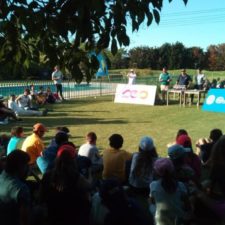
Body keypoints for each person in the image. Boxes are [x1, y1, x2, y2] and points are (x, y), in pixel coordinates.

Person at [39, 150, 91, 225]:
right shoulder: (75, 176)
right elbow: (89, 186)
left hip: (53, 214)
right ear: (72, 162)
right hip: (73, 215)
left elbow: (40, 197)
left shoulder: (47, 175)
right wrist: (89, 174)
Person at [150, 158, 190, 225]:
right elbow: (187, 204)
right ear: (172, 170)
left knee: (150, 202)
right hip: (178, 219)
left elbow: (153, 201)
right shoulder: (181, 186)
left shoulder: (153, 185)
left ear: (157, 173)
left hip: (160, 221)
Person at [0, 150, 31, 225]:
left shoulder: (1, 176)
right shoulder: (21, 188)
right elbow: (24, 220)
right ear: (20, 166)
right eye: (26, 165)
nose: (28, 167)